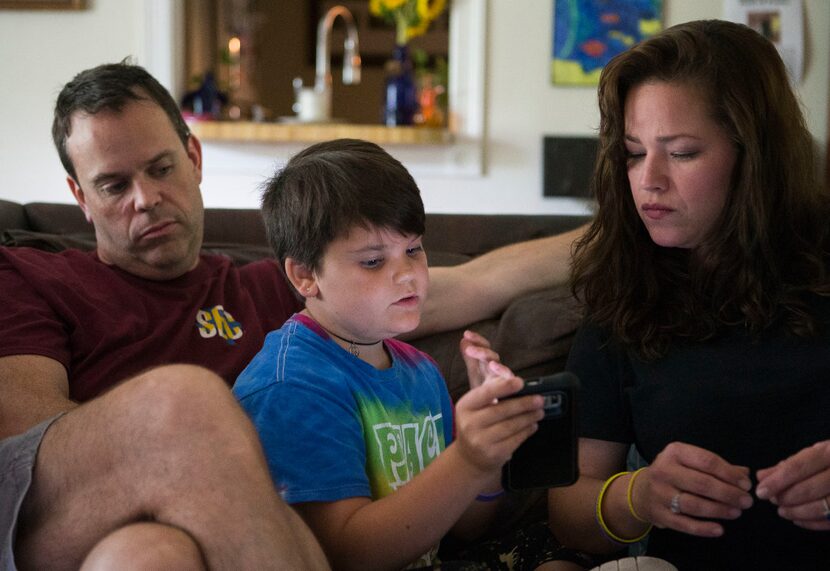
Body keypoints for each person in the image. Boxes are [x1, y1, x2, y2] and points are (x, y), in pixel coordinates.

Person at [0, 61, 583, 568]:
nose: (146, 198)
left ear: (193, 157)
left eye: (160, 168)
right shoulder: (32, 276)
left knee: (146, 558)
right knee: (184, 400)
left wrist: (628, 231)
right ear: (80, 196)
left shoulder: (279, 292)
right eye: (112, 184)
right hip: (58, 514)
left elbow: (483, 280)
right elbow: (27, 441)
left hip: (182, 543)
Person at [547, 19, 830, 570]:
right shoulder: (623, 291)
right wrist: (639, 496)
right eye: (633, 152)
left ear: (754, 156)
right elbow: (568, 512)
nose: (648, 179)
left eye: (680, 153)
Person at [233, 138, 590, 571]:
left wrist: (487, 451)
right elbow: (347, 553)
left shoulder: (420, 370)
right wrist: (467, 458)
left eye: (413, 249)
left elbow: (467, 528)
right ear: (306, 276)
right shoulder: (292, 384)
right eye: (372, 261)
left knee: (559, 552)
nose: (407, 275)